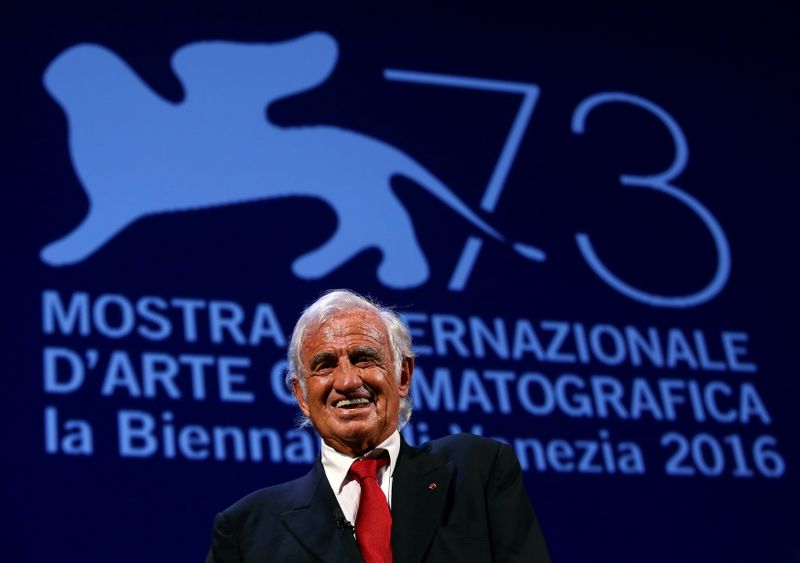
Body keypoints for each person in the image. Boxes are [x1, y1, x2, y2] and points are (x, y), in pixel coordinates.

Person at [205, 290, 550, 562]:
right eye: (325, 365)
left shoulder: (476, 471)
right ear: (302, 396)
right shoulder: (248, 530)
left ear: (403, 376)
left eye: (364, 358)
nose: (348, 380)